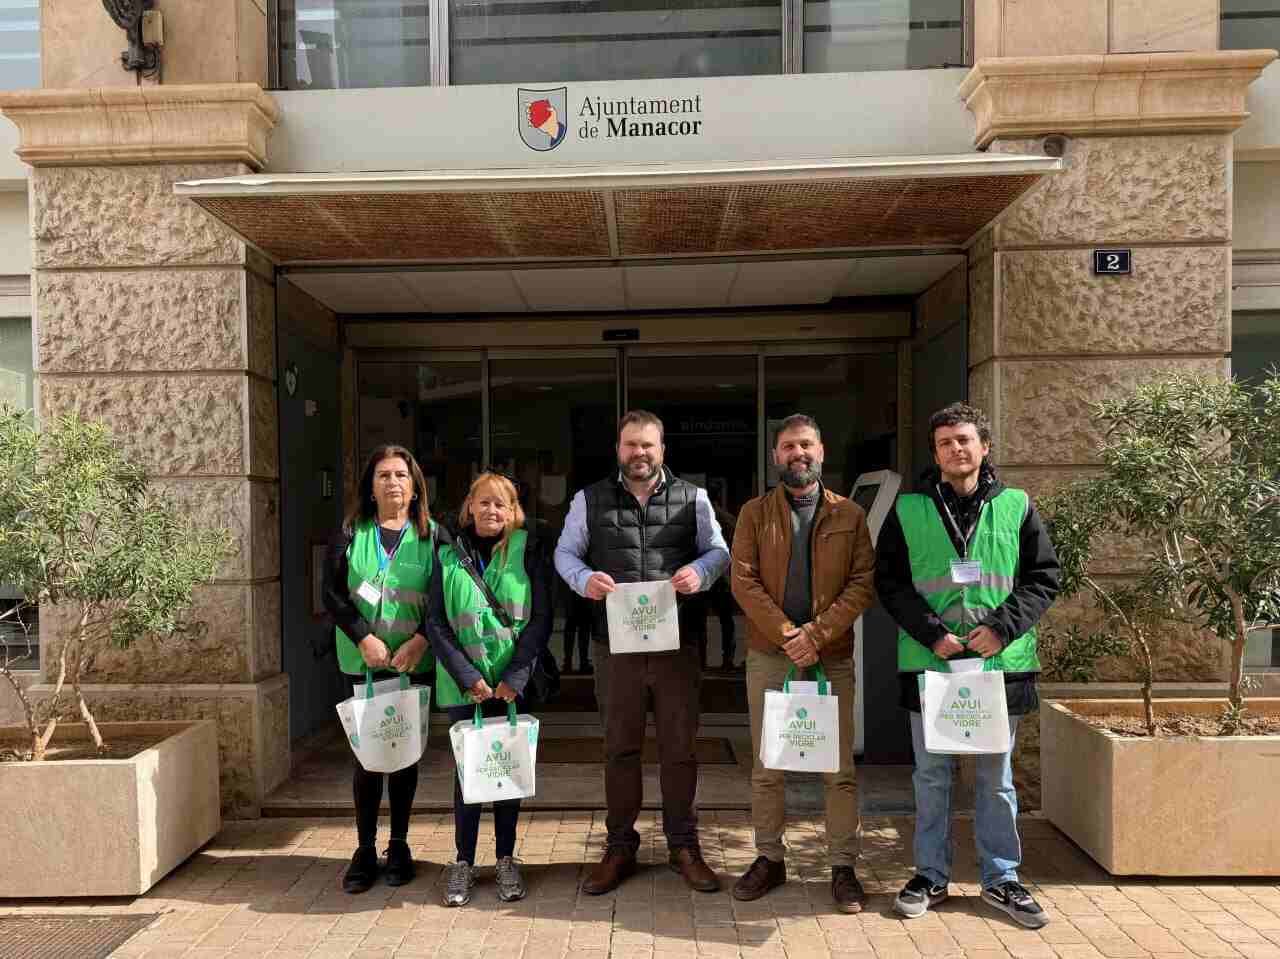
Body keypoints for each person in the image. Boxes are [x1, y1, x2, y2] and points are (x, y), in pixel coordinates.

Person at [876, 402, 1060, 928]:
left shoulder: (1018, 506)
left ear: (984, 446)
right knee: (931, 777)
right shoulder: (909, 509)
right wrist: (932, 634)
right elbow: (889, 582)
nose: (956, 449)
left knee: (996, 780)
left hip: (1000, 667)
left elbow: (1043, 577)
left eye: (964, 440)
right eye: (944, 443)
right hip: (932, 665)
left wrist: (1000, 627)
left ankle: (1002, 879)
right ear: (935, 454)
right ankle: (930, 874)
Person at [555, 410, 730, 894]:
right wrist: (583, 578)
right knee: (620, 750)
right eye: (631, 445)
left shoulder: (693, 498)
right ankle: (619, 848)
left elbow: (719, 551)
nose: (640, 453)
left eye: (648, 445)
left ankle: (683, 847)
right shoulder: (588, 500)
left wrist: (702, 572)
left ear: (662, 449)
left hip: (678, 647)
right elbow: (564, 554)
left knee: (680, 749)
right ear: (618, 449)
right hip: (615, 647)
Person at [729, 414, 876, 913]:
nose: (798, 453)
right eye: (789, 446)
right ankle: (769, 858)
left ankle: (842, 867)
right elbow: (743, 581)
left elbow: (862, 583)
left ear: (821, 451)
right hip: (770, 657)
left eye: (806, 444)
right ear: (776, 455)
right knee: (768, 766)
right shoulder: (753, 513)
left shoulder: (850, 515)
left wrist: (817, 634)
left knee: (837, 769)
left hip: (831, 658)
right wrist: (790, 635)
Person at [426, 471, 553, 907]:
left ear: (513, 510)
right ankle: (462, 861)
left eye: (501, 503)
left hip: (510, 686)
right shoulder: (445, 553)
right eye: (484, 502)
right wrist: (470, 678)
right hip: (466, 688)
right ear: (469, 506)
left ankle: (504, 858)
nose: (492, 511)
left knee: (507, 774)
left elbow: (541, 619)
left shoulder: (528, 549)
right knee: (468, 776)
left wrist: (514, 679)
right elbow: (436, 623)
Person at [323, 444, 438, 894]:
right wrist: (363, 637)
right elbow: (332, 594)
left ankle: (401, 843)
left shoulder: (434, 536)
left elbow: (447, 597)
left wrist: (421, 639)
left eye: (401, 476)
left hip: (413, 661)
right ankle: (365, 848)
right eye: (384, 475)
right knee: (369, 759)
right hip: (363, 662)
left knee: (405, 756)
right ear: (371, 488)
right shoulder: (351, 532)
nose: (393, 482)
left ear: (415, 488)